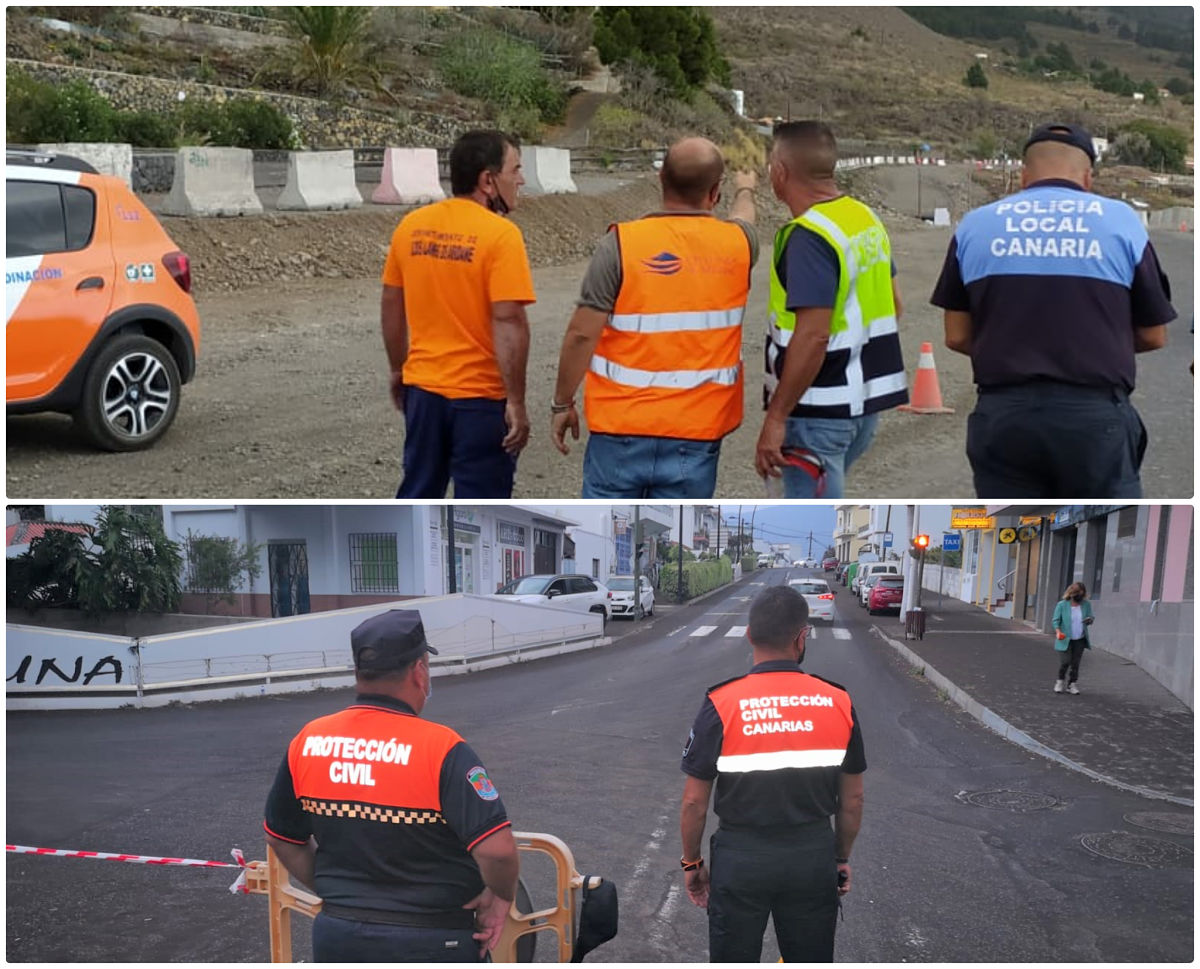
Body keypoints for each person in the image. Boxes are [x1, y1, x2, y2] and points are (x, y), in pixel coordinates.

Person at [930, 122, 1176, 498]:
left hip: (1004, 415)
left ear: (1024, 176)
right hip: (1094, 418)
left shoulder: (974, 226)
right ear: (1088, 178)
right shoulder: (1123, 222)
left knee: (1017, 539)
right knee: (1103, 539)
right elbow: (1154, 335)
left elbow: (957, 336)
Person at [263, 609, 519, 962]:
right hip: (433, 941)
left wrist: (338, 894)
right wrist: (500, 896)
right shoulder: (443, 749)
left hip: (338, 937)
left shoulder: (308, 741)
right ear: (419, 671)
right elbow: (498, 851)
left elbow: (282, 837)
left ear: (358, 673)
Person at [550, 137, 759, 498]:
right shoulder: (739, 245)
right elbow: (744, 219)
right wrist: (746, 190)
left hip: (620, 432)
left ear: (660, 178)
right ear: (715, 192)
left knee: (606, 534)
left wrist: (562, 403)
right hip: (696, 436)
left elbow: (582, 335)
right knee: (672, 543)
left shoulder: (620, 244)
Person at [679, 585, 866, 962]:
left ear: (749, 635)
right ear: (802, 637)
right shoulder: (837, 700)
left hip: (741, 859)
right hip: (811, 857)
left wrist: (693, 863)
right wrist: (839, 858)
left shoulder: (721, 702)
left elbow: (694, 802)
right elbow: (853, 799)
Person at [754, 120, 908, 499]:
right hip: (861, 410)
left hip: (818, 411)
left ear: (780, 171)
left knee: (813, 523)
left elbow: (814, 333)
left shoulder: (809, 237)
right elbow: (895, 305)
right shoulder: (864, 219)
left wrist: (776, 417)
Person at [381, 130, 536, 499]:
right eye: (515, 169)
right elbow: (509, 320)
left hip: (424, 396)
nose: (521, 179)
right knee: (481, 512)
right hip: (480, 401)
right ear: (488, 180)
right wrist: (515, 401)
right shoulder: (501, 236)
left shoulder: (411, 227)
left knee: (417, 498)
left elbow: (391, 303)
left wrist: (398, 369)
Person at [1051, 582, 1094, 695]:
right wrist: (1058, 631)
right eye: (1076, 593)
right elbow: (1056, 620)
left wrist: (1089, 619)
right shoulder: (1062, 605)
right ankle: (1060, 681)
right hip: (1065, 639)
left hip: (1079, 638)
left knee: (1075, 663)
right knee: (1065, 661)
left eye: (1080, 593)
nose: (1078, 595)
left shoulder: (1086, 605)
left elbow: (1091, 617)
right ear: (1071, 593)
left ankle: (1072, 684)